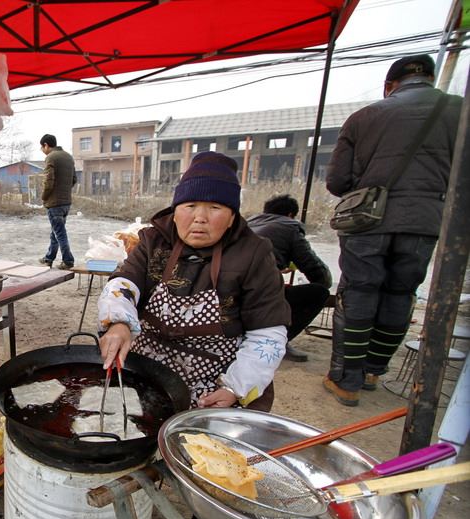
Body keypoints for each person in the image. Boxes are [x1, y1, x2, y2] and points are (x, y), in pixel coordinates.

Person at [97, 151, 290, 413]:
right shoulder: (154, 241)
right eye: (190, 206)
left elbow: (268, 335)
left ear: (232, 216)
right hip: (148, 373)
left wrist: (235, 388)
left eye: (215, 208)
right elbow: (123, 284)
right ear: (175, 212)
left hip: (214, 386)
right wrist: (119, 322)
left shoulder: (254, 254)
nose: (200, 217)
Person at [323, 54, 462, 407]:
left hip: (367, 221)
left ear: (390, 85)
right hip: (425, 221)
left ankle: (346, 380)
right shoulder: (459, 111)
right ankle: (373, 369)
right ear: (432, 79)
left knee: (358, 293)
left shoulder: (365, 117)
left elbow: (338, 180)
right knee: (400, 293)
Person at [247, 194, 333, 362]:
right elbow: (317, 271)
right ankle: (276, 342)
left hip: (230, 295)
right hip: (256, 296)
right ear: (291, 215)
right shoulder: (289, 228)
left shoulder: (248, 224)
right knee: (318, 292)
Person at [38, 134, 76, 269]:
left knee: (59, 233)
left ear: (46, 145)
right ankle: (49, 258)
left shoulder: (51, 157)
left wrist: (44, 196)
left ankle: (68, 261)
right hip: (66, 202)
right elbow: (74, 179)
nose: (42, 150)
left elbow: (48, 181)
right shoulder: (68, 157)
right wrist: (64, 192)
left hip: (54, 204)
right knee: (56, 231)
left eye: (42, 147)